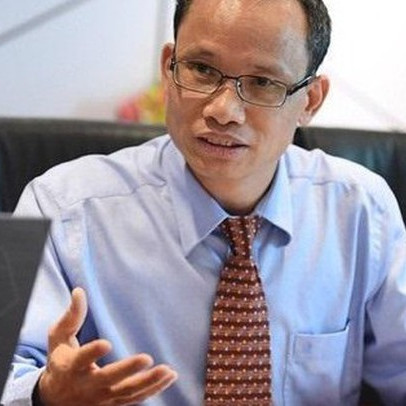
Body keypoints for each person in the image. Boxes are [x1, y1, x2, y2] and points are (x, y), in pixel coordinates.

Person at [2, 0, 406, 404]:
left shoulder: (360, 211)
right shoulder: (62, 208)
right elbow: (11, 377)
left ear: (311, 100)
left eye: (262, 82)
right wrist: (47, 394)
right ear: (169, 69)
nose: (223, 111)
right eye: (202, 69)